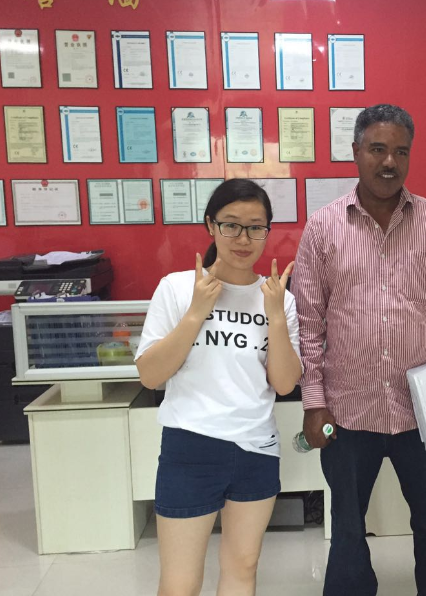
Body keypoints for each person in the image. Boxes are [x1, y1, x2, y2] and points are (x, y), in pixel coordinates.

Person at [292, 103, 426, 596]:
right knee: (347, 530)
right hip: (346, 413)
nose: (389, 162)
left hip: (424, 416)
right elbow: (308, 325)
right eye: (377, 149)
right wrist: (314, 403)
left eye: (401, 151)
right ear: (356, 151)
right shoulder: (323, 227)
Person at [135, 179, 302, 596]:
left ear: (267, 230)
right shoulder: (177, 288)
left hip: (256, 448)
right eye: (231, 225)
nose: (243, 239)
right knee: (180, 582)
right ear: (211, 226)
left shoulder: (279, 299)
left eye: (255, 227)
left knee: (243, 569)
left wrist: (276, 317)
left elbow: (284, 383)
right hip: (191, 447)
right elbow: (150, 375)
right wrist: (196, 313)